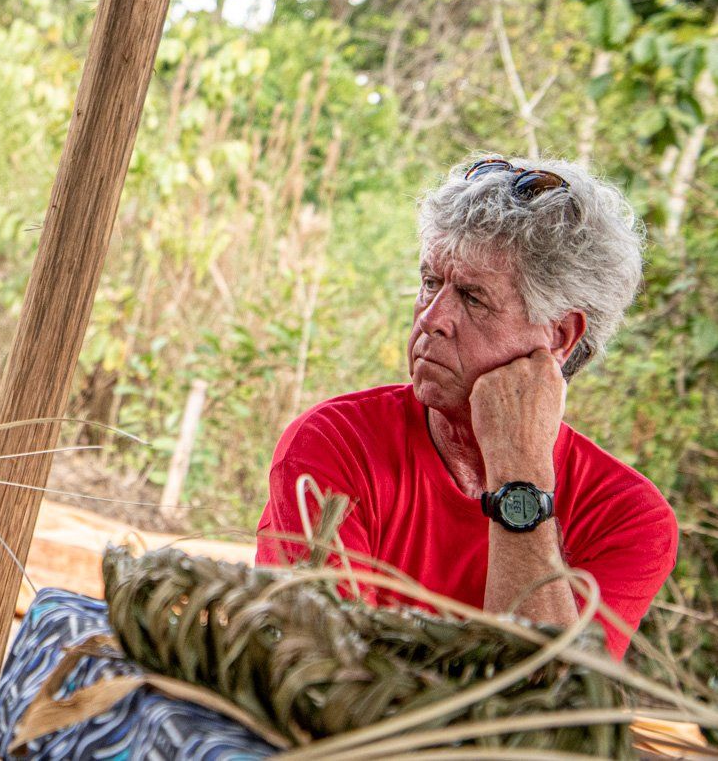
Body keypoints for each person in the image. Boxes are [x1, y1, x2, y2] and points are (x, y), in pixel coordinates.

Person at [256, 158, 678, 659]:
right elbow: (324, 675)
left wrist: (518, 473)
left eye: (474, 298)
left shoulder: (629, 518)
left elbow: (545, 689)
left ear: (560, 336)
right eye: (430, 282)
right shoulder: (336, 444)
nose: (431, 319)